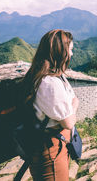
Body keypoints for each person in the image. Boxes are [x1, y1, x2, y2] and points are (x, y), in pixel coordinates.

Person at [23, 29, 79, 180]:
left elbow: (72, 97)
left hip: (55, 144)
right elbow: (68, 121)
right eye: (70, 50)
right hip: (50, 150)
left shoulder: (49, 75)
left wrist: (72, 104)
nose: (72, 54)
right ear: (60, 52)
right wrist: (73, 107)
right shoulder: (49, 83)